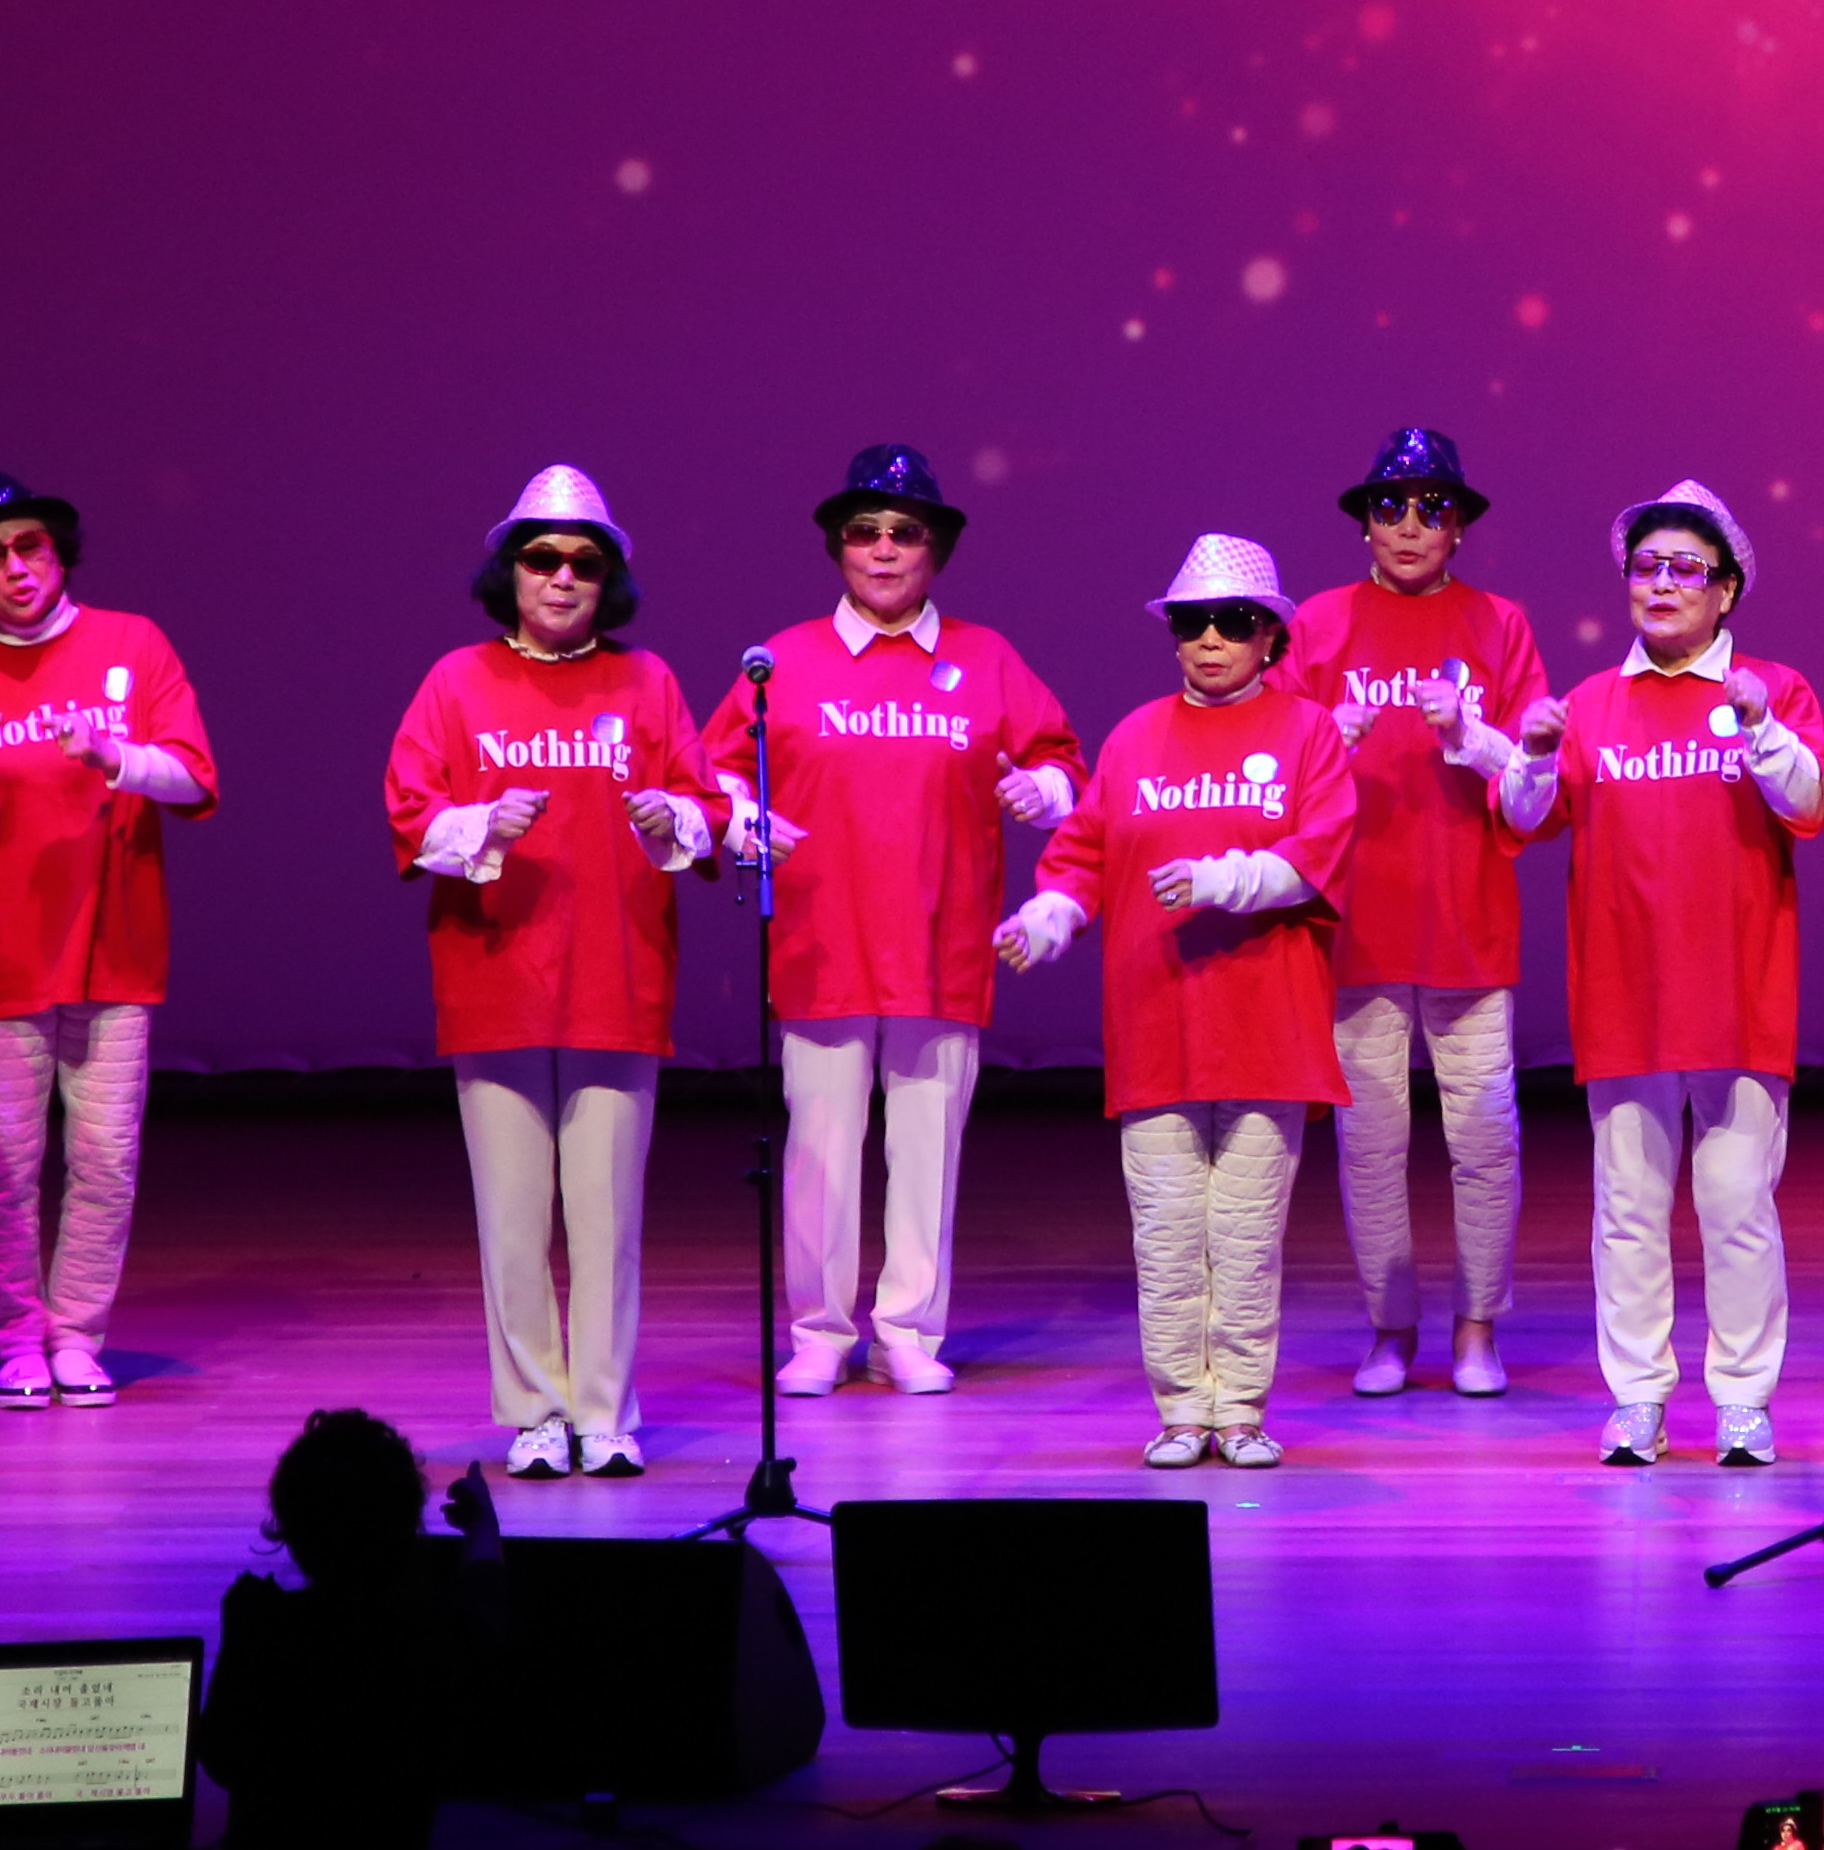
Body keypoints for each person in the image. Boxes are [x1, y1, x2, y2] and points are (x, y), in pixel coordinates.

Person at [697, 446, 1081, 1397]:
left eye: (903, 533)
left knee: (927, 1153)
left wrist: (1043, 788)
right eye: (864, 532)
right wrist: (744, 820)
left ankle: (908, 1330)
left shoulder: (986, 659)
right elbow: (713, 774)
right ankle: (819, 1333)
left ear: (934, 549)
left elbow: (1061, 760)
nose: (882, 550)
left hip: (943, 946)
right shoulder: (782, 661)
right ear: (837, 546)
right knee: (818, 1157)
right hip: (821, 946)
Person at [1493, 480, 1824, 1463]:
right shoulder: (1590, 704)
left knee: (1737, 1209)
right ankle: (1638, 1398)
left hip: (1738, 996)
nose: (1662, 584)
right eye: (1647, 566)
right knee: (1628, 1213)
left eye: (1686, 568)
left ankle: (1744, 1400)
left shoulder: (1773, 689)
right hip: (1625, 997)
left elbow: (1814, 804)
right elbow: (1523, 821)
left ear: (1726, 591)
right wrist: (1530, 756)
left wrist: (1761, 726)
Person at [381, 466, 713, 1476]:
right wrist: (483, 823)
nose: (563, 577)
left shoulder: (648, 682)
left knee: (607, 1218)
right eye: (542, 558)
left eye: (584, 562)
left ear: (608, 579)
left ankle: (603, 1412)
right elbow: (408, 812)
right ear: (510, 572)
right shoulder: (456, 682)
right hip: (495, 979)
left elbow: (703, 805)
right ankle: (535, 1408)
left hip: (616, 978)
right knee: (513, 1219)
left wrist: (672, 818)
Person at [1001, 535, 1362, 1464]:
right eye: (1193, 622)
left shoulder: (1309, 733)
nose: (1210, 639)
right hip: (1155, 1021)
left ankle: (1238, 1408)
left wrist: (1222, 878)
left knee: (1244, 1235)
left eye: (1233, 623)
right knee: (1165, 1238)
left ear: (1270, 636)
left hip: (1266, 1025)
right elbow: (1083, 854)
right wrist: (1048, 918)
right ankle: (1181, 1411)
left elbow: (1318, 851)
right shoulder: (1134, 736)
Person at [0, 467, 216, 1411]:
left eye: (30, 546)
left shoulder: (134, 643)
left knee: (105, 1160)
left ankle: (79, 1335)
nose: (16, 567)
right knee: (3, 1166)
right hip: (1, 954)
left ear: (58, 553)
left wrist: (114, 756)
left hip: (115, 949)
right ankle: (16, 1340)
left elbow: (195, 778)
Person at [1286, 427, 1547, 1399]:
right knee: (1370, 1147)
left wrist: (1473, 734)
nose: (1408, 525)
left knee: (1485, 1140)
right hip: (1356, 926)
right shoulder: (1317, 624)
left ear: (1459, 528)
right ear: (1364, 523)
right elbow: (1269, 770)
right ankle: (1390, 1328)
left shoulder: (1500, 624)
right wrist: (1324, 737)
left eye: (1431, 508)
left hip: (1468, 924)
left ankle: (1477, 1327)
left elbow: (1535, 786)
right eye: (1389, 506)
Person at [197, 1408, 469, 1850]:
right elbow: (484, 1611)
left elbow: (223, 1756)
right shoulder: (431, 1630)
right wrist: (483, 1535)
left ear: (289, 1526)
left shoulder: (263, 1623)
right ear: (407, 1526)